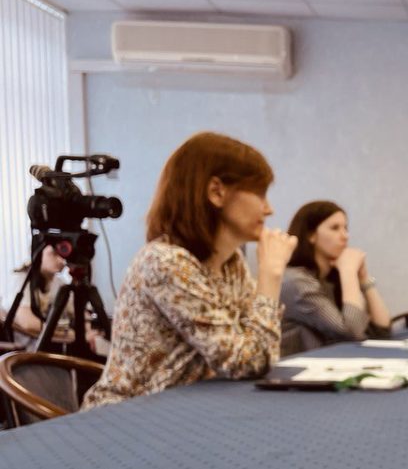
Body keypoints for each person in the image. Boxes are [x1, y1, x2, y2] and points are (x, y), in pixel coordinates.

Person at [82, 133, 293, 409]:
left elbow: (260, 354)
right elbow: (248, 362)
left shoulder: (232, 264)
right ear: (216, 192)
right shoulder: (165, 262)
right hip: (128, 415)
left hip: (186, 410)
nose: (269, 209)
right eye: (260, 194)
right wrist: (271, 275)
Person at [280, 201, 390, 354]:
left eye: (346, 228)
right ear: (311, 235)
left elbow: (382, 332)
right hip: (295, 367)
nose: (345, 236)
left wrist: (364, 279)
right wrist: (349, 271)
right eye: (335, 228)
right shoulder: (296, 282)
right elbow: (352, 333)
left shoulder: (329, 278)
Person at [9, 245, 101, 352]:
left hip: (54, 347)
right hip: (27, 351)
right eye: (54, 254)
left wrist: (88, 331)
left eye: (63, 254)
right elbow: (28, 323)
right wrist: (73, 335)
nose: (61, 260)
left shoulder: (58, 283)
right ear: (38, 253)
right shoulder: (21, 280)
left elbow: (80, 312)